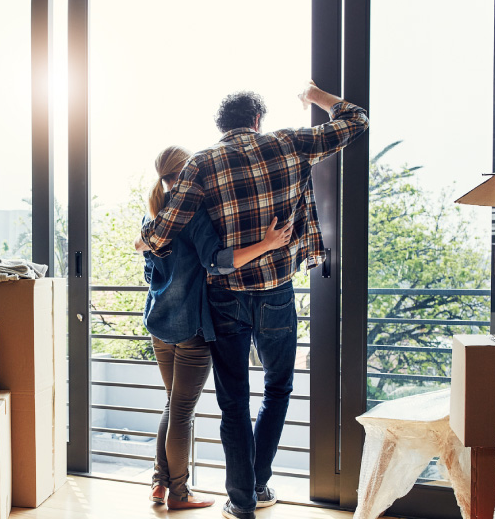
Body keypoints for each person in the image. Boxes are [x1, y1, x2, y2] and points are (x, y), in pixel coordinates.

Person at [138, 82, 368, 519]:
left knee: (232, 403)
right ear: (257, 120)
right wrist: (317, 96)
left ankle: (242, 502)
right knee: (278, 387)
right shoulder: (289, 143)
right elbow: (356, 119)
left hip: (225, 299)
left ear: (220, 126)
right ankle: (258, 482)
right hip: (277, 292)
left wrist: (143, 238)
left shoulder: (202, 164)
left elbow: (160, 234)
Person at [140, 145, 292, 511]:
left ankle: (160, 484)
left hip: (159, 325)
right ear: (190, 172)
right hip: (191, 329)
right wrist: (267, 243)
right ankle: (178, 493)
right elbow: (217, 262)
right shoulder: (194, 215)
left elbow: (150, 273)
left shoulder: (154, 218)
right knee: (182, 411)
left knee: (173, 405)